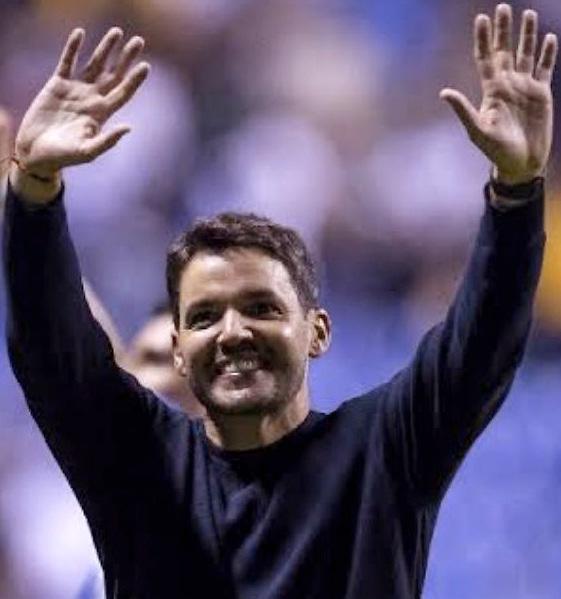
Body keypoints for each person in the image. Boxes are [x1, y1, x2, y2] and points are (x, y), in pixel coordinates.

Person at [2, 4, 557, 598]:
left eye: (261, 307)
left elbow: (481, 345)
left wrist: (515, 194)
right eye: (205, 316)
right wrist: (34, 191)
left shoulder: (381, 455)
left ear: (317, 330)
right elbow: (56, 349)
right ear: (181, 350)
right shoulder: (143, 467)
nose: (232, 332)